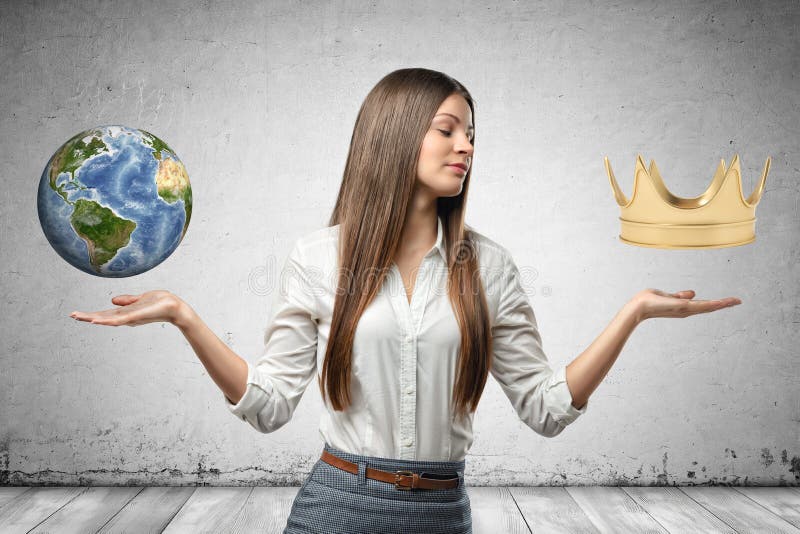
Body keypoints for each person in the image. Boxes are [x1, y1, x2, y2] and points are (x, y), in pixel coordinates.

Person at [69, 67, 741, 534]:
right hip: (337, 505)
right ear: (395, 134)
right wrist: (186, 317)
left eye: (471, 133)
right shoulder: (317, 258)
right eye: (447, 129)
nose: (466, 146)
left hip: (443, 512)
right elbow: (270, 406)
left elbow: (545, 409)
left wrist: (634, 313)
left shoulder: (490, 268)